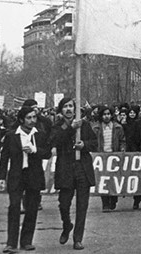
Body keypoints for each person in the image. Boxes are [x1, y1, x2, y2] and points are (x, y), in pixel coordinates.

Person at [0, 106, 52, 253]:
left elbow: (47, 153)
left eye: (34, 117)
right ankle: (11, 243)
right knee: (14, 206)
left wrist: (35, 150)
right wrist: (1, 177)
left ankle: (27, 241)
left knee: (32, 208)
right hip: (17, 175)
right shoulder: (12, 136)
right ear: (21, 119)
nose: (32, 120)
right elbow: (4, 158)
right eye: (29, 118)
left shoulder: (39, 135)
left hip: (33, 175)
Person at [49, 98, 98, 251]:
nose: (69, 109)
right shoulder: (58, 126)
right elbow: (54, 140)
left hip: (82, 168)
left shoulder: (84, 124)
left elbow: (94, 143)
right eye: (65, 107)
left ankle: (78, 238)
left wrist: (84, 145)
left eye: (71, 106)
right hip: (66, 168)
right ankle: (67, 225)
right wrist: (70, 127)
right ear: (61, 110)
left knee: (82, 206)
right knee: (64, 204)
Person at [92, 105, 126, 212]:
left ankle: (113, 198)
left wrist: (122, 150)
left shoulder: (118, 127)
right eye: (104, 114)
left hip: (114, 156)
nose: (106, 116)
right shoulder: (96, 128)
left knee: (114, 180)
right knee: (103, 181)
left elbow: (122, 141)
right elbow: (93, 142)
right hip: (101, 157)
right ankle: (105, 203)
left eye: (108, 114)